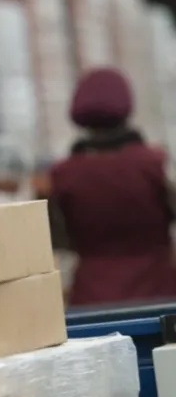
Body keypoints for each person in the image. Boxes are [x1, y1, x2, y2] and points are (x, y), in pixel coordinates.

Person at [50, 67, 176, 307]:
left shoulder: (61, 174)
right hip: (159, 294)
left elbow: (58, 241)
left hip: (91, 299)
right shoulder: (156, 163)